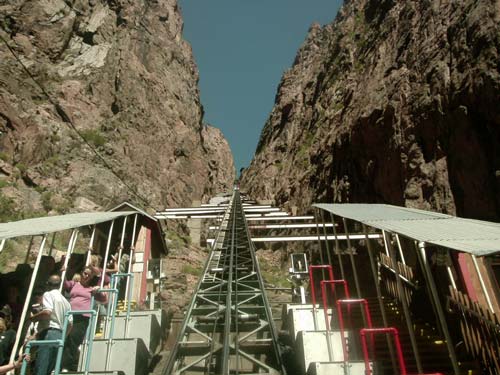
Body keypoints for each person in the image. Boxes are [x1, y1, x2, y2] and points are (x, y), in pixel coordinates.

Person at [62, 267, 106, 371]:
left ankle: (66, 365)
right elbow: (65, 284)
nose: (86, 276)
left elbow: (104, 299)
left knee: (73, 340)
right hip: (70, 315)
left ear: (91, 277)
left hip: (82, 317)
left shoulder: (91, 288)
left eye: (89, 275)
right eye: (85, 273)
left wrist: (98, 290)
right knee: (65, 339)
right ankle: (63, 363)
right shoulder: (75, 284)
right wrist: (64, 271)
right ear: (82, 273)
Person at [30, 275, 72, 375]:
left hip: (48, 334)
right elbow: (70, 324)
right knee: (49, 369)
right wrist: (63, 337)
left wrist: (33, 318)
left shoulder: (48, 294)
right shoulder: (67, 302)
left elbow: (47, 312)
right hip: (59, 336)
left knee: (41, 367)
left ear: (48, 284)